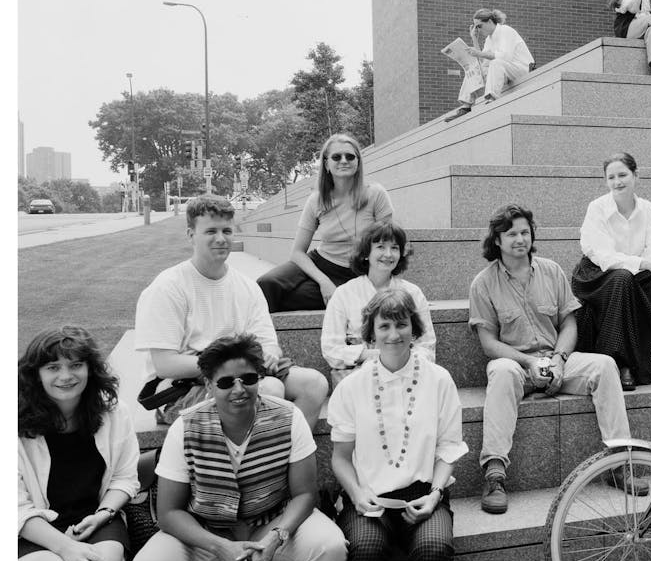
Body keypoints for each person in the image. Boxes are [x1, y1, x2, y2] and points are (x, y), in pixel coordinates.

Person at [121, 333, 347, 561]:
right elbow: (170, 511)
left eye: (249, 378)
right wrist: (220, 548)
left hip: (271, 519)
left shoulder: (288, 417)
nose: (239, 389)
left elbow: (306, 493)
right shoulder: (186, 426)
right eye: (226, 381)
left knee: (330, 547)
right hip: (204, 530)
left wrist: (276, 537)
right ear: (209, 385)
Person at [328, 288, 467, 561]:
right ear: (370, 333)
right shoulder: (352, 386)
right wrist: (355, 493)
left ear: (414, 328)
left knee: (435, 547)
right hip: (367, 497)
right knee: (366, 551)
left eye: (401, 324)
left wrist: (436, 493)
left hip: (424, 492)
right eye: (383, 325)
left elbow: (448, 448)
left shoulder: (439, 380)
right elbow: (340, 456)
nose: (393, 334)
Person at [468, 203, 642, 514]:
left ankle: (620, 464)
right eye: (511, 234)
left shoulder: (551, 271)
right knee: (502, 371)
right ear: (497, 240)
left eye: (525, 232)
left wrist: (560, 359)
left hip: (556, 358)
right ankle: (494, 474)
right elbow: (489, 343)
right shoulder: (483, 283)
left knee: (604, 365)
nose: (520, 239)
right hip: (517, 364)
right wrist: (528, 362)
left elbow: (569, 324)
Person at [18, 326, 140, 561]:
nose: (65, 375)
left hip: (98, 515)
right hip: (28, 528)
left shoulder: (111, 412)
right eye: (52, 367)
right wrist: (65, 547)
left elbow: (125, 478)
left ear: (91, 369)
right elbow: (14, 506)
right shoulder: (13, 423)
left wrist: (105, 512)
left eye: (75, 365)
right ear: (35, 374)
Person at [134, 194, 328, 429]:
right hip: (181, 388)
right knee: (269, 388)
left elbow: (268, 343)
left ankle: (287, 459)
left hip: (243, 373)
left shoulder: (246, 287)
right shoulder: (167, 287)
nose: (220, 239)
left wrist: (269, 355)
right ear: (190, 235)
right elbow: (165, 364)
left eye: (227, 231)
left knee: (314, 384)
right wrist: (231, 367)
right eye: (211, 231)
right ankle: (256, 463)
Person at [573, 152, 651, 391]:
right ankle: (622, 363)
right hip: (596, 275)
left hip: (634, 272)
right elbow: (604, 257)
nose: (617, 182)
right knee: (622, 278)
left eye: (623, 175)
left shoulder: (647, 209)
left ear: (635, 175)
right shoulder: (597, 208)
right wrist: (645, 264)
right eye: (611, 177)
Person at [258, 133, 394, 312]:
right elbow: (297, 252)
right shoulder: (317, 200)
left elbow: (388, 245)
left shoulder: (376, 194)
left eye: (350, 156)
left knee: (293, 298)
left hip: (356, 268)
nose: (344, 161)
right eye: (336, 157)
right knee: (266, 285)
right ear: (326, 164)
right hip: (321, 261)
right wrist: (324, 282)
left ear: (358, 162)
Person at [322, 221, 437, 386]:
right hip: (358, 374)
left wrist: (402, 362)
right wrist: (376, 355)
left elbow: (426, 344)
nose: (388, 254)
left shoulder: (413, 293)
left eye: (395, 248)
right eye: (381, 247)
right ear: (366, 253)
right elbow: (331, 349)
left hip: (406, 370)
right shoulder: (344, 294)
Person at [449, 8, 537, 117]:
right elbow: (484, 62)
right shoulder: (489, 39)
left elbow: (505, 56)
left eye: (479, 26)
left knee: (496, 63)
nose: (478, 30)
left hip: (522, 69)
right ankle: (466, 105)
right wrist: (474, 39)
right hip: (506, 71)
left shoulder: (505, 30)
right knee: (475, 68)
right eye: (476, 27)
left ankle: (492, 98)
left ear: (490, 21)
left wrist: (479, 53)